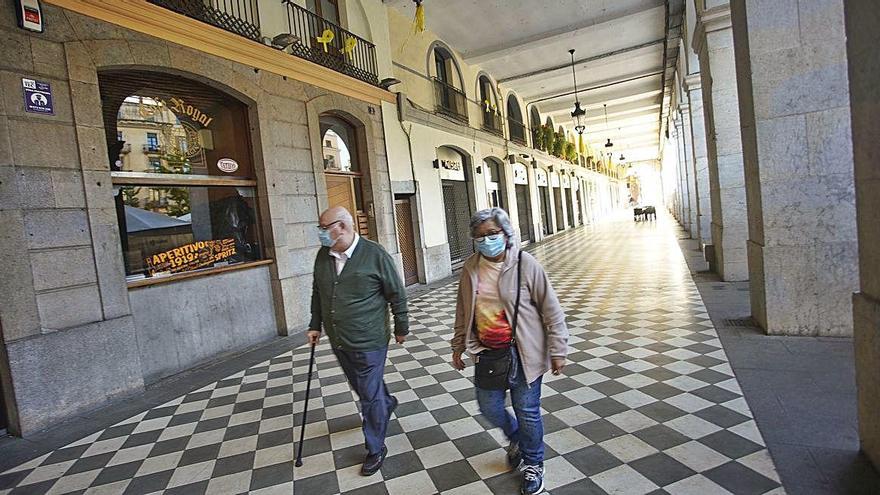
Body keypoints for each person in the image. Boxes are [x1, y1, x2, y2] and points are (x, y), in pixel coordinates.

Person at [451, 208, 568, 495]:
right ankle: (517, 437)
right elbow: (463, 310)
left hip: (524, 353)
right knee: (488, 406)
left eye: (492, 234)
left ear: (506, 234)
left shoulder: (525, 264)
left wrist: (558, 348)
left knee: (527, 411)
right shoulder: (470, 268)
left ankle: (533, 464)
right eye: (480, 236)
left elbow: (551, 309)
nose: (486, 240)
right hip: (488, 353)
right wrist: (457, 346)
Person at [307, 206, 409, 476]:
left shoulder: (374, 254)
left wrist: (402, 326)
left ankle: (375, 447)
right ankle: (385, 403)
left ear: (341, 226)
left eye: (323, 226)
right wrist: (314, 325)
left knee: (367, 394)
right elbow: (318, 291)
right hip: (339, 338)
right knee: (365, 388)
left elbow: (397, 293)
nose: (320, 232)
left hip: (369, 339)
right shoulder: (323, 255)